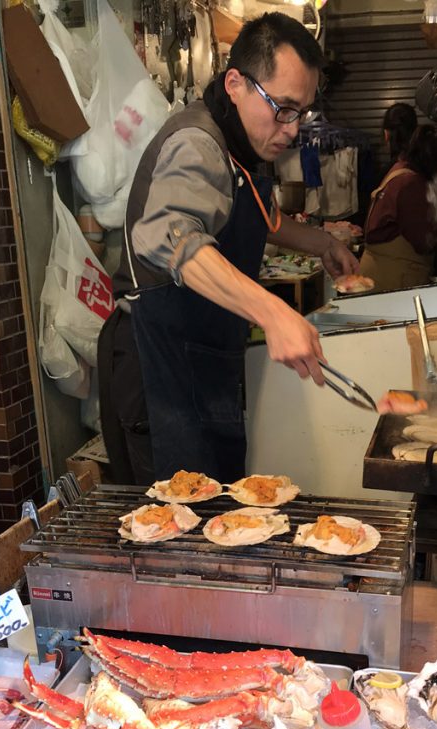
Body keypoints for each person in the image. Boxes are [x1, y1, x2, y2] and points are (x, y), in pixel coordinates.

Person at [102, 13, 358, 484]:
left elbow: (260, 216)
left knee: (218, 508)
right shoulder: (198, 143)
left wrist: (320, 242)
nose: (292, 128)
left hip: (204, 356)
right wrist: (273, 312)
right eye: (282, 107)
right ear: (236, 82)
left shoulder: (242, 145)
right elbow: (170, 233)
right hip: (158, 362)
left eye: (299, 111)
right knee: (177, 528)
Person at [359, 123, 437, 293]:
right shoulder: (410, 184)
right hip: (390, 281)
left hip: (389, 275)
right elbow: (426, 242)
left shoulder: (403, 170)